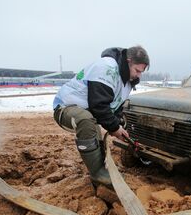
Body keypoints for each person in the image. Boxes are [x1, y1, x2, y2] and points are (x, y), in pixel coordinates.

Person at [53, 46, 149, 187]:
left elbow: (113, 108)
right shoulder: (107, 67)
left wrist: (119, 126)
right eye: (137, 70)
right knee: (86, 122)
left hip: (88, 112)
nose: (139, 75)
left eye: (142, 72)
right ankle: (97, 173)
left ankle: (100, 171)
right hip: (65, 107)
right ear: (128, 61)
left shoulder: (127, 82)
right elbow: (98, 105)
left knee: (94, 134)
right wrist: (114, 127)